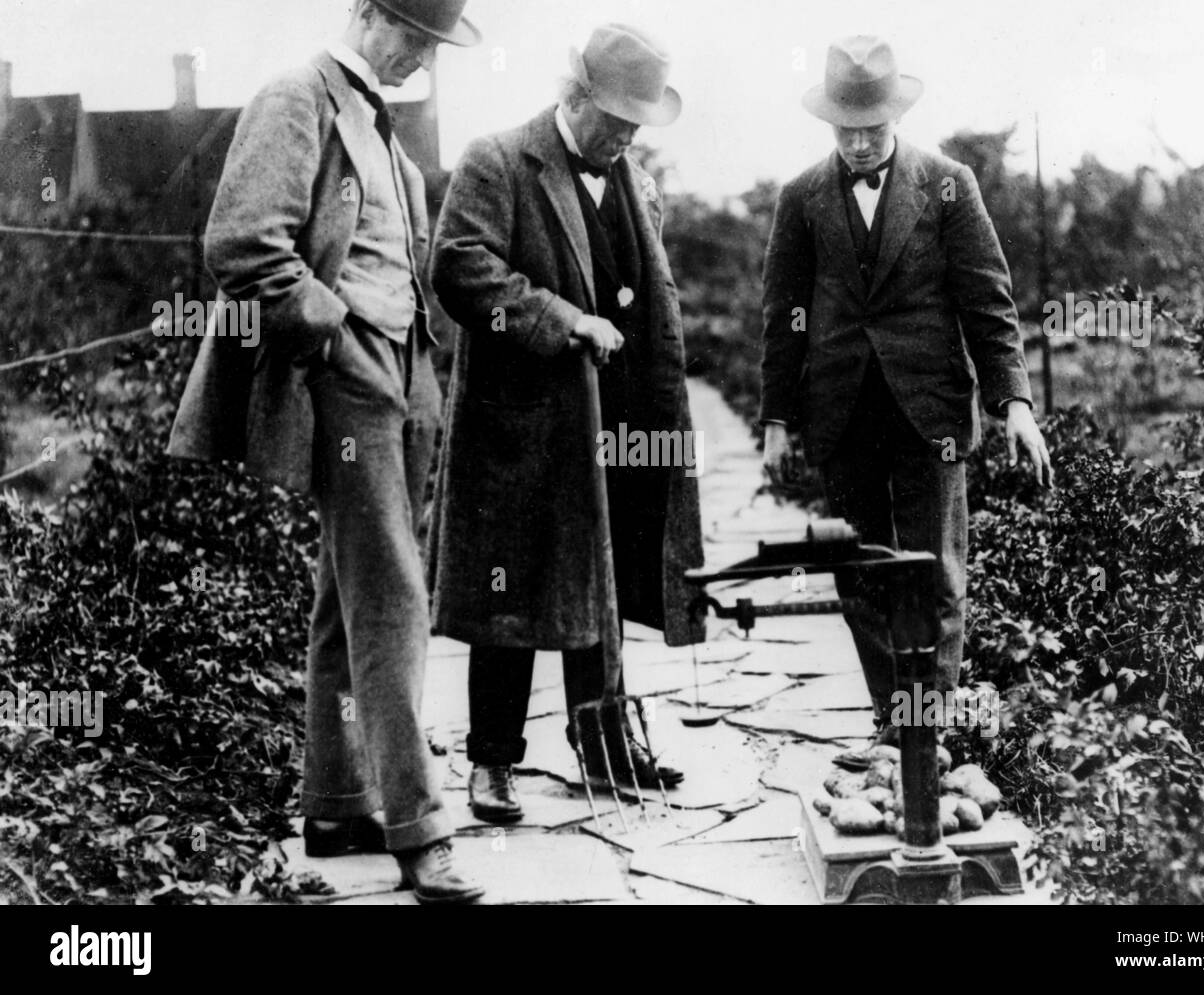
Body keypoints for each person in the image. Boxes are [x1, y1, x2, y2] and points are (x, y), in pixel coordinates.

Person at [167, 0, 483, 904]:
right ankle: (418, 830)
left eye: (433, 45)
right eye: (414, 36)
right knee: (392, 595)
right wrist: (337, 337)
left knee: (351, 598)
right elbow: (241, 244)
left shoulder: (379, 120)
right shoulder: (295, 96)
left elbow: (391, 254)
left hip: (402, 372)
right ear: (366, 12)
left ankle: (340, 799)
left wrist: (413, 365)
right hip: (348, 376)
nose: (422, 59)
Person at [429, 23, 705, 823]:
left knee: (605, 582)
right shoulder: (498, 160)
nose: (623, 137)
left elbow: (649, 297)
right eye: (614, 120)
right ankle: (491, 762)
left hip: (614, 421)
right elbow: (460, 269)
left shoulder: (638, 184)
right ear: (572, 97)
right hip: (522, 426)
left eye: (636, 125)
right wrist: (561, 319)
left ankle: (606, 743)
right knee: (507, 592)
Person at [760, 36, 1053, 751]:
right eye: (846, 130)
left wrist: (1013, 402)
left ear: (895, 117)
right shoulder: (801, 197)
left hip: (932, 412)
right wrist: (776, 418)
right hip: (841, 410)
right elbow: (782, 313)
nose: (860, 144)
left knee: (935, 572)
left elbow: (988, 301)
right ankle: (896, 722)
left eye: (873, 129)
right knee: (860, 573)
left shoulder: (949, 184)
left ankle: (931, 729)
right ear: (829, 122)